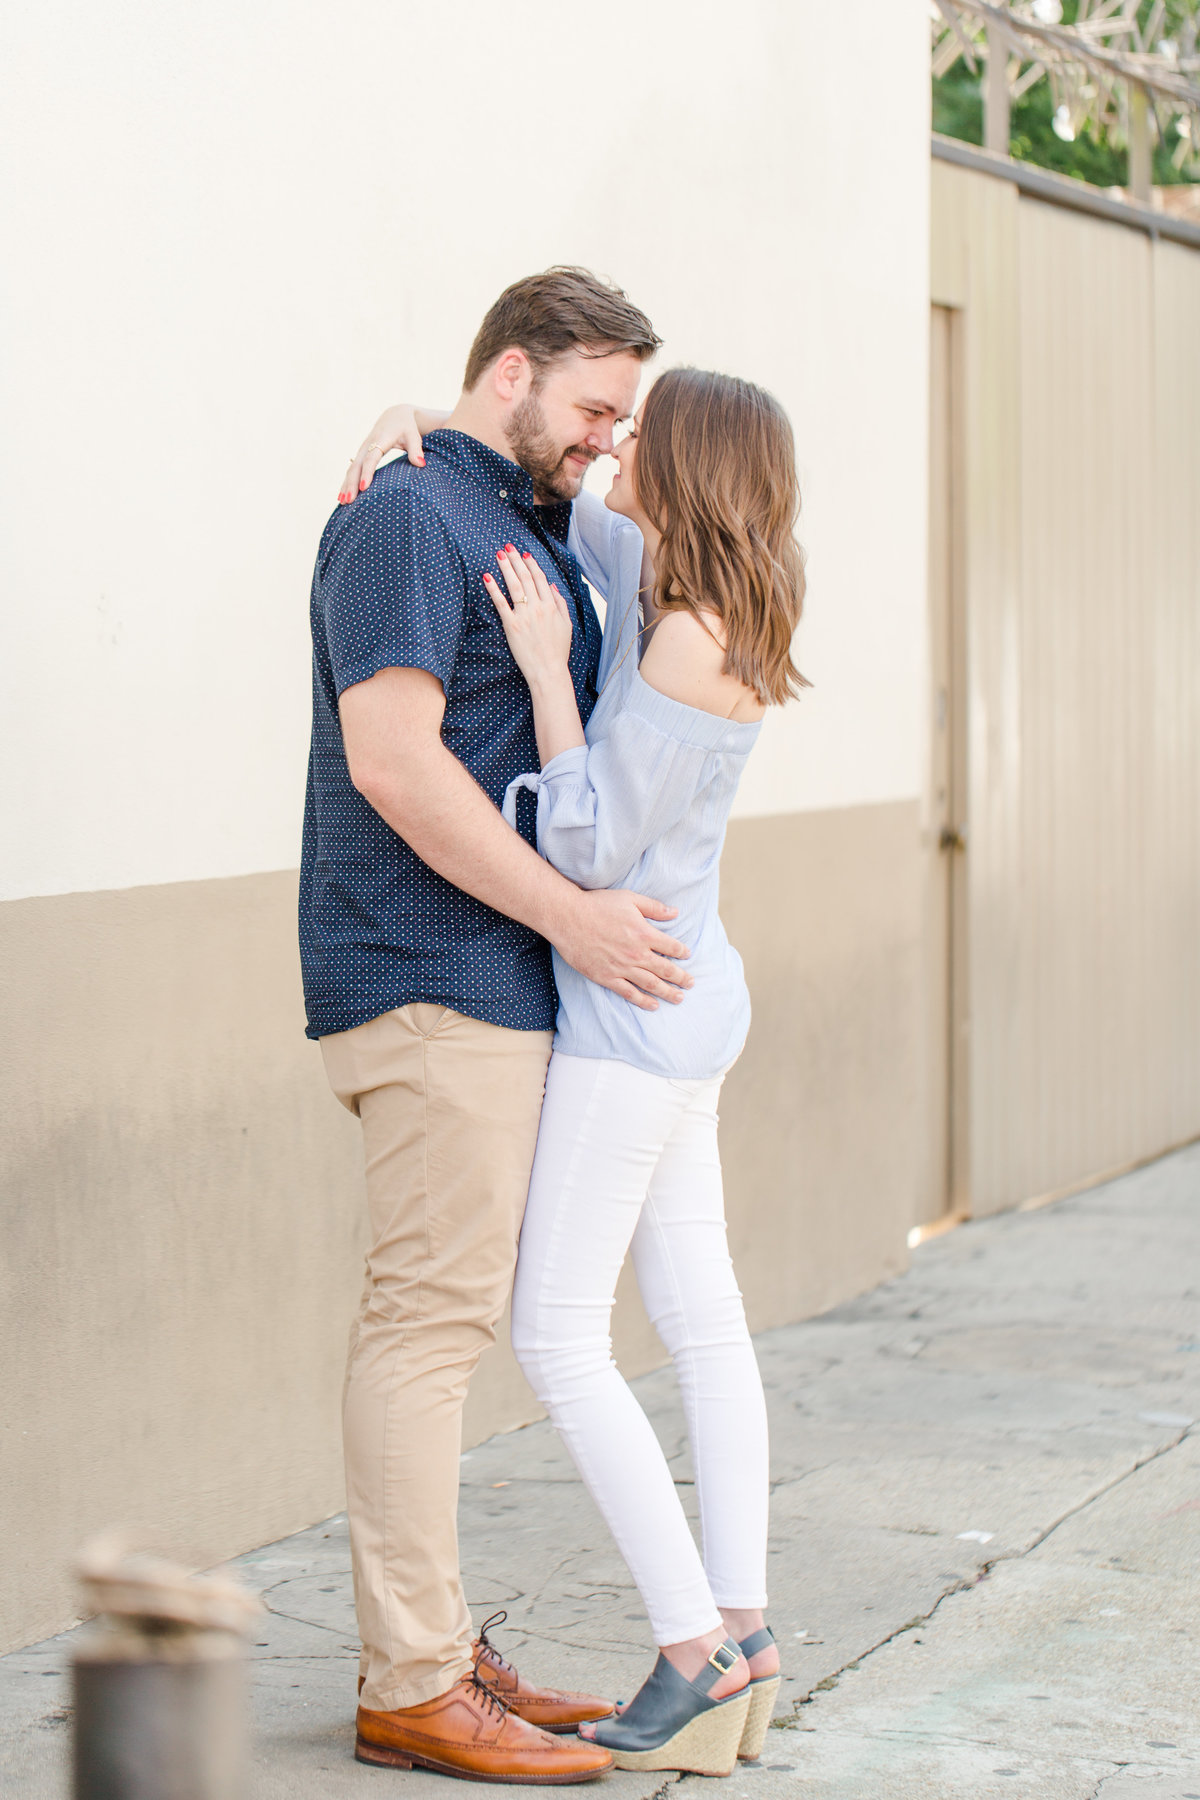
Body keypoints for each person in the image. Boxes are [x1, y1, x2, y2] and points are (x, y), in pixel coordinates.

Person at [352, 365, 808, 1776]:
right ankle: (746, 1629)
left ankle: (696, 1646)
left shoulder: (692, 639)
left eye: (639, 432)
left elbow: (592, 848)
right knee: (700, 1315)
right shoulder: (688, 569)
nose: (616, 448)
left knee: (557, 1333)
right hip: (687, 1008)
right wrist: (416, 415)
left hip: (633, 1021)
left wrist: (550, 679)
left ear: (687, 464)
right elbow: (578, 514)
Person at [303, 266, 698, 1784]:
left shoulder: (514, 513)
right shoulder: (410, 513)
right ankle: (412, 1682)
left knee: (451, 1324)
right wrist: (575, 918)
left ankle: (437, 1644)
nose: (606, 441)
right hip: (427, 974)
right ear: (513, 372)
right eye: (593, 409)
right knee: (428, 1324)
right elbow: (396, 764)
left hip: (494, 980)